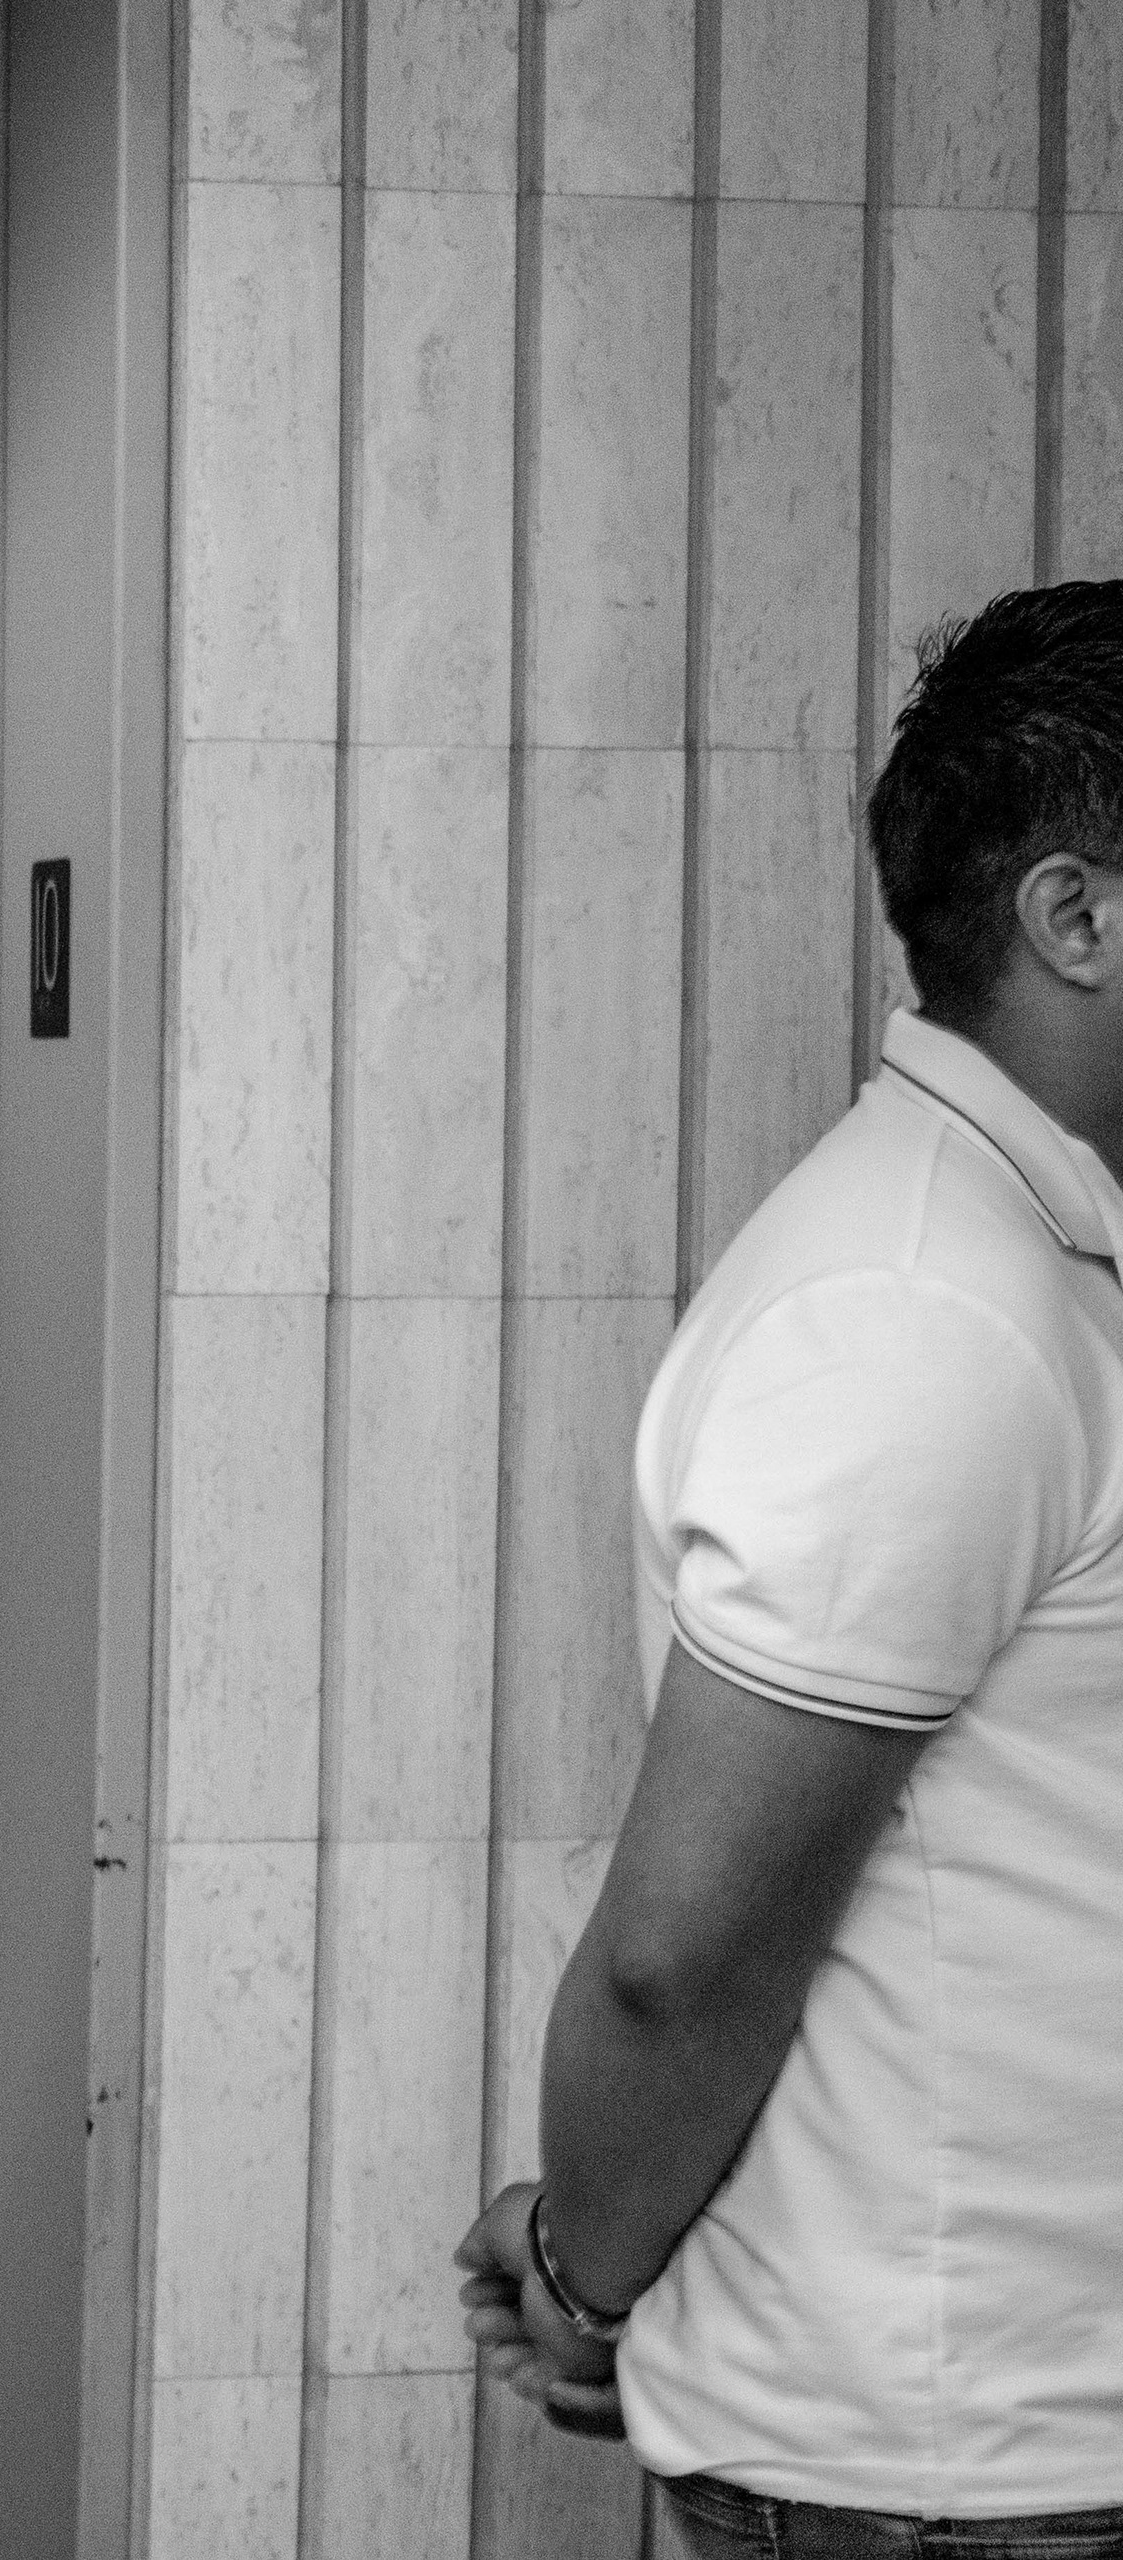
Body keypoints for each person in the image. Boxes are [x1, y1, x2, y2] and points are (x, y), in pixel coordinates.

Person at [457, 581, 1123, 2555]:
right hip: (955, 2484)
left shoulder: (1027, 1274)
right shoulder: (926, 1314)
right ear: (1076, 918)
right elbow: (682, 1962)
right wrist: (589, 2277)